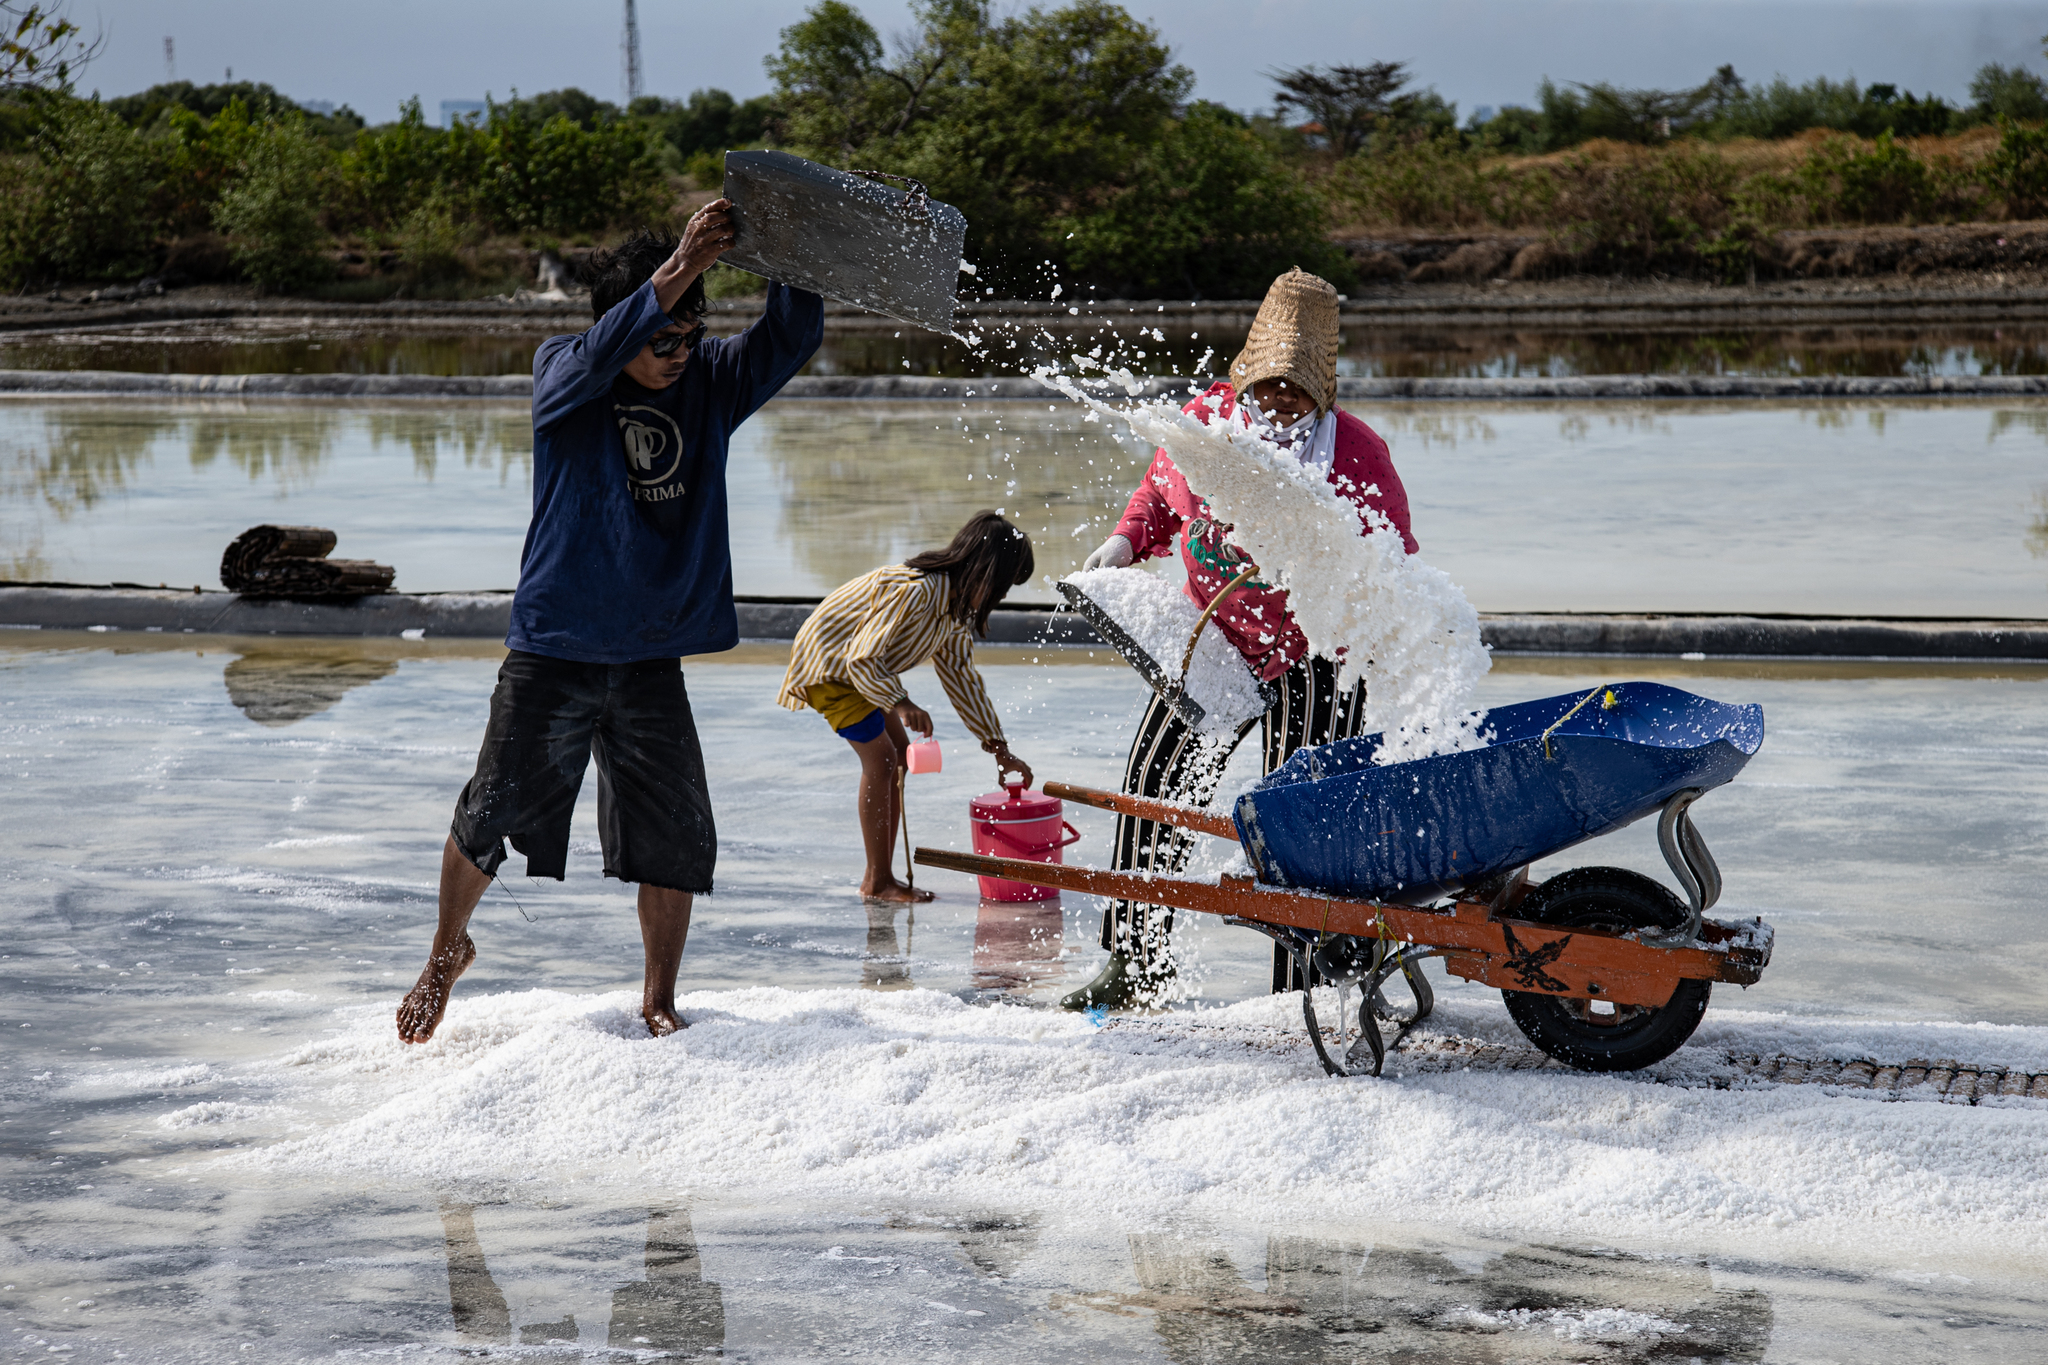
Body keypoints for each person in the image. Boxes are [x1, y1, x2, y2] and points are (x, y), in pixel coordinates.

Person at [396, 204, 825, 1044]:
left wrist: (795, 255)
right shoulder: (563, 371)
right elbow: (593, 356)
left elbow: (786, 339)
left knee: (676, 833)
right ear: (622, 326)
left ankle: (659, 996)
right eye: (661, 339)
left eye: (689, 337)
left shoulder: (707, 382)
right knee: (489, 811)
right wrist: (674, 274)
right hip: (554, 644)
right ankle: (446, 952)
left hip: (647, 654)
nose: (678, 356)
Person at [1061, 268, 1417, 1011]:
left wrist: (1363, 610)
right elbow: (1159, 496)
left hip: (1316, 651)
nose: (1279, 402)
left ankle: (1312, 984)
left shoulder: (1354, 456)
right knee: (1153, 785)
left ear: (1323, 393)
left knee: (1307, 818)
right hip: (1212, 639)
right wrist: (1126, 543)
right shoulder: (1207, 425)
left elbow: (1396, 559)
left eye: (1296, 391)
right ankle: (1134, 962)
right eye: (1267, 386)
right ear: (1243, 379)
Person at [777, 511, 1037, 903]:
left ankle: (876, 875)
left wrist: (998, 749)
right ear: (985, 571)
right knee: (881, 760)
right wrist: (901, 703)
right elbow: (861, 659)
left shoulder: (953, 612)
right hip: (830, 664)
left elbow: (962, 678)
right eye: (1000, 588)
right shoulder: (919, 591)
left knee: (900, 757)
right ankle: (879, 882)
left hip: (862, 669)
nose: (998, 600)